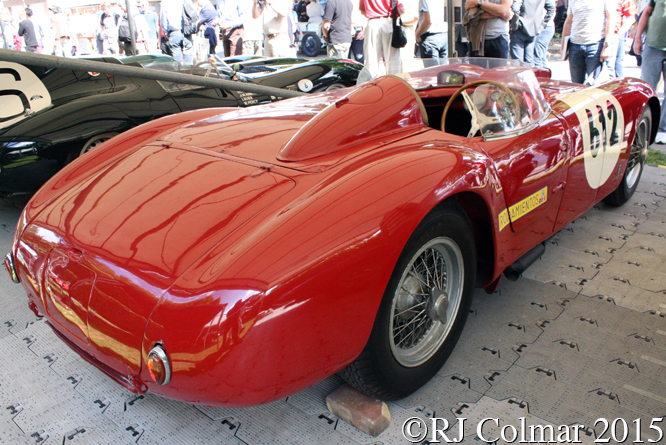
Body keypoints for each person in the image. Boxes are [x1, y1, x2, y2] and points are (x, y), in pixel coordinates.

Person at [633, 0, 666, 144]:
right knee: (647, 89)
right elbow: (646, 13)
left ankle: (662, 129)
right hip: (653, 46)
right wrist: (637, 39)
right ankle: (643, 127)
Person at [561, 0, 613, 85]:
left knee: (593, 84)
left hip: (595, 44)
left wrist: (607, 45)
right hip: (575, 45)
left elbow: (611, 18)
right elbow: (569, 21)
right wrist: (563, 45)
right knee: (576, 84)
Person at [359, 0, 404, 77]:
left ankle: (372, 85)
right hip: (389, 22)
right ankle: (393, 85)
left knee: (371, 61)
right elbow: (401, 9)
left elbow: (363, 10)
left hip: (372, 22)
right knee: (393, 62)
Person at [510, 0, 554, 64]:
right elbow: (551, 8)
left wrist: (514, 25)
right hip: (533, 28)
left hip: (520, 29)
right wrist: (542, 24)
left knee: (517, 63)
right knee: (529, 61)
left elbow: (515, 8)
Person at [607, 0, 636, 77]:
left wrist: (618, 35)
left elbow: (631, 18)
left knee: (614, 65)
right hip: (597, 35)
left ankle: (617, 86)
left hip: (616, 34)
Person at [532, 0, 555, 67]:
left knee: (537, 56)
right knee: (541, 56)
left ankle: (540, 75)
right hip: (544, 26)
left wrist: (542, 24)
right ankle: (544, 75)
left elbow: (551, 9)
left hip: (544, 28)